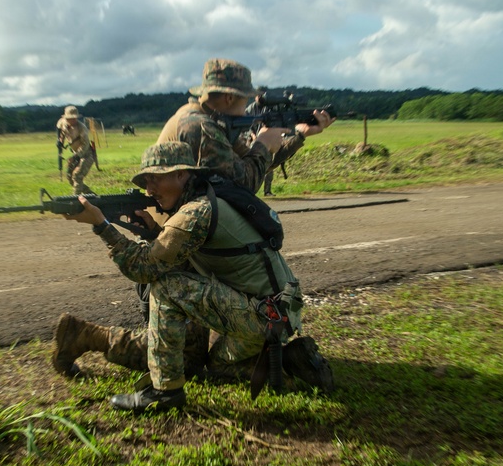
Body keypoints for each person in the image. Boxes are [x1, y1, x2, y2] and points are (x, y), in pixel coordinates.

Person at [52, 141, 334, 412]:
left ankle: (165, 392)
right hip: (277, 313)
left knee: (169, 288)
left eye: (154, 179)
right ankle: (288, 359)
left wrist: (101, 226)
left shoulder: (195, 212)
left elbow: (143, 269)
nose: (149, 190)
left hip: (261, 316)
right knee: (210, 363)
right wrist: (152, 232)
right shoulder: (210, 197)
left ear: (181, 174)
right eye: (145, 182)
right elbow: (188, 253)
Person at [157, 59, 334, 195]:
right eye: (246, 99)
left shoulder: (201, 117)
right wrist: (263, 144)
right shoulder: (202, 128)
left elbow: (254, 163)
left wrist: (300, 135)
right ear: (230, 98)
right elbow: (243, 184)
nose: (246, 107)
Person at [56, 105, 95, 195]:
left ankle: (75, 198)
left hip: (86, 154)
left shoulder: (82, 128)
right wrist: (60, 141)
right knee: (70, 177)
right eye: (70, 118)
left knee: (77, 176)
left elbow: (85, 145)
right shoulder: (62, 123)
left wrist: (76, 156)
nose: (73, 120)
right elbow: (59, 129)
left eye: (75, 118)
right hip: (75, 154)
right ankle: (90, 195)